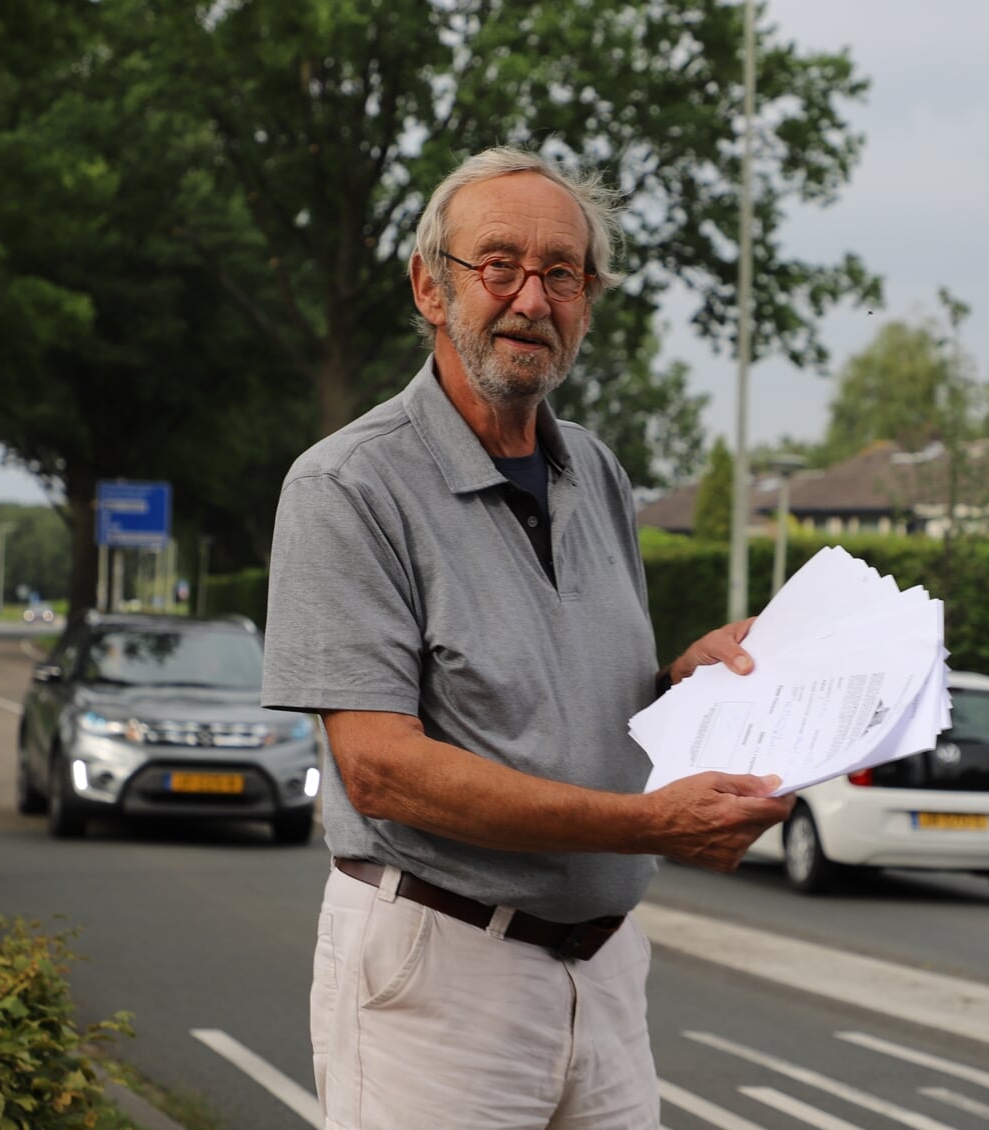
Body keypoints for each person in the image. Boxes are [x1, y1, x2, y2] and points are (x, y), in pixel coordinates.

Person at [261, 147, 794, 1129]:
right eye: (498, 264)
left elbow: (592, 703)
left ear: (588, 297)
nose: (532, 297)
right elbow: (381, 770)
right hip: (438, 970)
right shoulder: (346, 487)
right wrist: (646, 825)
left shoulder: (595, 470)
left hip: (606, 970)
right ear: (431, 284)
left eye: (563, 271)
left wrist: (688, 676)